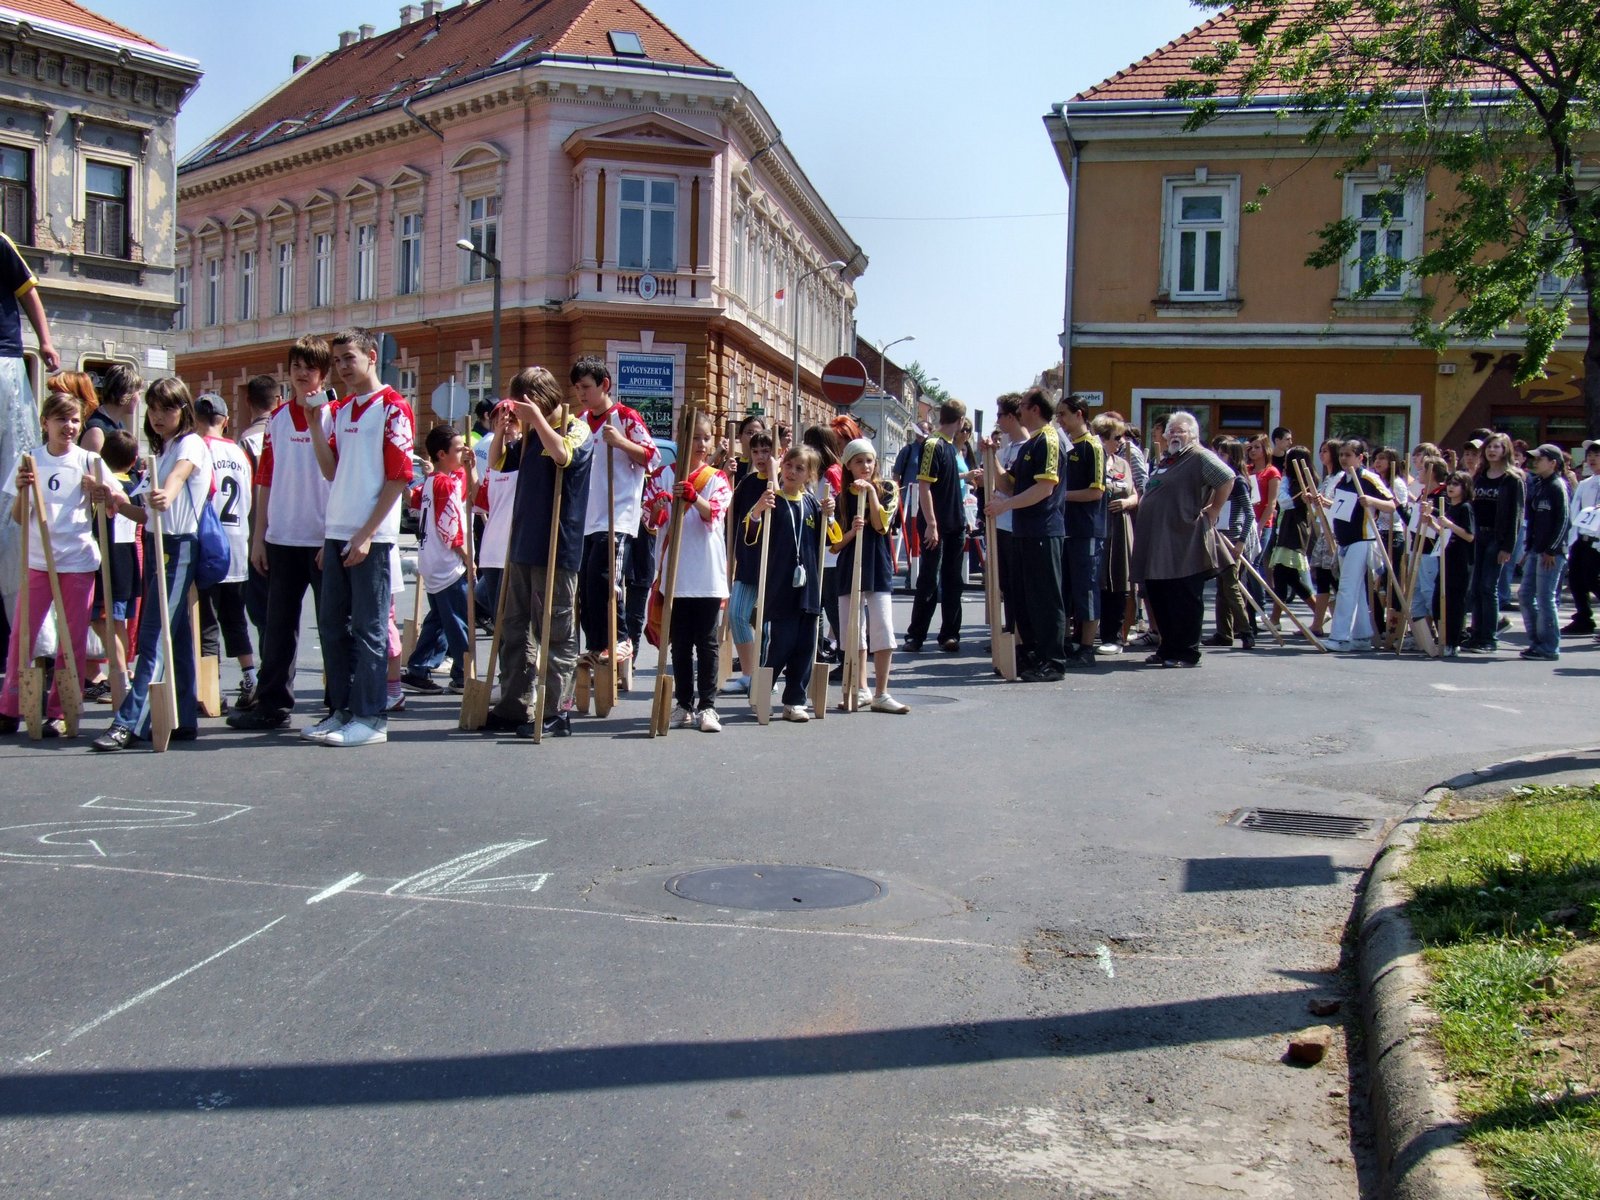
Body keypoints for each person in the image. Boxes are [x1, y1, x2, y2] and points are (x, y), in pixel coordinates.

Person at [306, 328, 415, 748]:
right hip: (337, 531)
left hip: (373, 536)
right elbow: (331, 470)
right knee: (332, 627)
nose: (342, 368)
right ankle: (342, 710)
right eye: (337, 361)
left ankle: (371, 718)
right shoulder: (342, 409)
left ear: (371, 355)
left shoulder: (393, 407)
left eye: (349, 358)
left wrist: (367, 534)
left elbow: (399, 477)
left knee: (370, 628)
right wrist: (315, 425)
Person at [91, 378, 213, 751]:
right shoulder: (164, 447)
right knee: (174, 637)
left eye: (167, 408)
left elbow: (177, 479)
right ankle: (184, 717)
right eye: (154, 409)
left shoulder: (190, 443)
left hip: (178, 547)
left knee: (153, 637)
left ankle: (128, 722)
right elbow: (146, 515)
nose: (158, 416)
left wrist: (165, 494)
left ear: (183, 410)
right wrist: (115, 502)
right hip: (159, 542)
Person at [228, 336, 334, 731]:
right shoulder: (277, 419)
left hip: (322, 538)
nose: (302, 374)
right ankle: (272, 704)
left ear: (323, 373)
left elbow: (339, 477)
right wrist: (259, 537)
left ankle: (338, 706)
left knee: (332, 627)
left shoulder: (336, 415)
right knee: (277, 628)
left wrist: (333, 536)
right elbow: (265, 477)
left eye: (310, 367)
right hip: (282, 537)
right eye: (296, 367)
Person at [483, 366, 592, 739]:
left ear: (538, 399)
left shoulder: (575, 428)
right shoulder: (530, 434)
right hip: (523, 544)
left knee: (556, 632)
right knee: (514, 629)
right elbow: (497, 462)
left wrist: (538, 421)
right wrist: (502, 433)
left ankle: (556, 711)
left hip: (557, 547)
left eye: (521, 403)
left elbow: (563, 455)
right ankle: (513, 704)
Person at [0, 392, 104, 735]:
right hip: (38, 560)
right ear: (45, 422)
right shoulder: (31, 460)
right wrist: (22, 489)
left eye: (75, 420)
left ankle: (60, 711)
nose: (69, 426)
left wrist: (99, 491)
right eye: (61, 419)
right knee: (22, 636)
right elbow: (19, 516)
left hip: (76, 561)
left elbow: (111, 504)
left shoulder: (88, 460)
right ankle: (10, 707)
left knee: (71, 640)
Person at [573, 356, 658, 684]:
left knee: (605, 578)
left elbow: (651, 456)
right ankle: (596, 644)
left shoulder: (624, 417)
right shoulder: (581, 421)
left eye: (586, 387)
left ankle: (621, 638)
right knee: (586, 587)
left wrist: (621, 442)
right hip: (588, 516)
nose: (581, 394)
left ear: (604, 385)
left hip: (617, 515)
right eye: (577, 388)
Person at [1129, 411, 1234, 667]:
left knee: (1183, 597)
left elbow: (1226, 478)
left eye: (1181, 431)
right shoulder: (1168, 459)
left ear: (1193, 435)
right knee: (1160, 594)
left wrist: (1214, 510)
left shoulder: (1198, 456)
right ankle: (1167, 648)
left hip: (1183, 540)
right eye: (1171, 431)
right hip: (1158, 541)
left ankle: (1186, 652)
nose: (1175, 435)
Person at [0, 231, 60, 633]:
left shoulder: (0, 243)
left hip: (4, 359)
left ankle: (31, 630)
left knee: (16, 471)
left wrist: (46, 341)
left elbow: (28, 293)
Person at [747, 444, 832, 721]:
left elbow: (830, 539)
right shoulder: (773, 500)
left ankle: (795, 700)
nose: (792, 472)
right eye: (789, 466)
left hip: (808, 587)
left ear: (810, 475)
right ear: (781, 467)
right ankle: (761, 693)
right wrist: (758, 510)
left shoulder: (811, 504)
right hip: (779, 585)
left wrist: (829, 516)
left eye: (800, 468)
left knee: (806, 645)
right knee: (780, 643)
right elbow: (750, 532)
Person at [988, 388, 1066, 679]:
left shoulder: (1049, 440)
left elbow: (1044, 488)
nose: (1018, 411)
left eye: (1022, 406)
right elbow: (1010, 485)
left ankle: (1053, 661)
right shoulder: (1030, 444)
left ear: (1035, 409)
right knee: (1024, 598)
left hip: (1043, 530)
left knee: (1045, 598)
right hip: (1023, 531)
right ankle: (1032, 654)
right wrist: (991, 456)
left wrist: (1005, 506)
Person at [661, 410, 732, 732]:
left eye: (706, 438)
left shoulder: (717, 479)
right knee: (679, 642)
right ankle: (683, 704)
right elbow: (651, 518)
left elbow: (714, 513)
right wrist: (659, 508)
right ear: (682, 438)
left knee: (706, 642)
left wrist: (693, 497)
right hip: (675, 572)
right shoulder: (664, 474)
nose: (702, 444)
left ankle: (708, 706)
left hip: (706, 573)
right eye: (696, 438)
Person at [400, 426, 475, 695]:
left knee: (440, 619)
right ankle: (464, 674)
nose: (464, 452)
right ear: (442, 454)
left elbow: (415, 500)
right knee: (459, 621)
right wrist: (467, 556)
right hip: (447, 564)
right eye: (459, 449)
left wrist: (468, 467)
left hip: (431, 560)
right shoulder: (445, 483)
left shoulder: (433, 481)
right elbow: (449, 528)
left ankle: (418, 668)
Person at [194, 393, 258, 711]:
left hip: (208, 543)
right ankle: (250, 677)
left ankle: (210, 689)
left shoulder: (197, 449)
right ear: (226, 421)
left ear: (195, 419)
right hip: (237, 541)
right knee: (235, 619)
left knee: (206, 621)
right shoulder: (238, 452)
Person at [836, 437, 909, 712]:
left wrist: (871, 494)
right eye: (859, 461)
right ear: (849, 466)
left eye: (869, 460)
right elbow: (834, 543)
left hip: (877, 563)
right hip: (849, 566)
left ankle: (882, 692)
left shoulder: (888, 488)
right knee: (853, 631)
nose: (865, 466)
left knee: (883, 627)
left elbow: (881, 526)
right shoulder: (842, 497)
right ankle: (861, 688)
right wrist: (851, 531)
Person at [1319, 439, 1396, 652]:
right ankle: (1362, 635)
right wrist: (1323, 503)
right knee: (1358, 589)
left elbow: (1391, 504)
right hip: (1344, 541)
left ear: (1360, 457)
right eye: (1341, 454)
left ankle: (1340, 637)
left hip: (1362, 540)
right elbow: (1343, 508)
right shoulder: (1342, 480)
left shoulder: (1368, 478)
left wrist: (1371, 501)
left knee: (1346, 588)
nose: (1344, 459)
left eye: (1348, 455)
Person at [903, 400, 967, 652]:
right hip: (937, 526)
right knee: (929, 580)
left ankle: (950, 634)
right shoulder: (933, 444)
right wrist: (931, 523)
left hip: (955, 524)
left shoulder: (951, 447)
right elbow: (925, 486)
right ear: (960, 421)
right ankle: (916, 635)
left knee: (953, 581)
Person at [722, 429, 775, 697]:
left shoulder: (784, 482)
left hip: (774, 564)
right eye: (756, 451)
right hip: (747, 560)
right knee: (737, 614)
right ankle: (748, 674)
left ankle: (766, 677)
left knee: (766, 623)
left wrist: (775, 478)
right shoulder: (747, 482)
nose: (761, 456)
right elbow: (730, 517)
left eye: (766, 451)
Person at [1055, 393, 1106, 665]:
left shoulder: (1093, 446)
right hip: (1063, 528)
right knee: (1063, 588)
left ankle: (1087, 646)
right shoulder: (1063, 445)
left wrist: (1061, 496)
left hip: (1086, 529)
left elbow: (1096, 491)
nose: (1060, 419)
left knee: (1086, 588)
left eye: (1063, 414)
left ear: (1079, 414)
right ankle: (1064, 641)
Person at [91, 430, 141, 704]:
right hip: (128, 563)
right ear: (133, 460)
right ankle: (122, 672)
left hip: (109, 564)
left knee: (104, 621)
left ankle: (119, 676)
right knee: (116, 622)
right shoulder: (136, 485)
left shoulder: (106, 489)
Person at [1466, 431, 1523, 652]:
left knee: (1489, 587)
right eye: (1489, 447)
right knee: (1476, 588)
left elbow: (1516, 516)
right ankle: (1476, 633)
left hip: (1496, 538)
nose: (1492, 450)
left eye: (1497, 447)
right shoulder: (1479, 475)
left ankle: (1489, 638)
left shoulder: (1512, 479)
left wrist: (1507, 547)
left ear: (1505, 450)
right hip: (1477, 536)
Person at [1517, 444, 1570, 661]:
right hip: (1536, 550)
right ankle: (1537, 641)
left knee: (1545, 597)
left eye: (1540, 459)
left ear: (1553, 463)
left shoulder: (1558, 486)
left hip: (1551, 553)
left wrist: (1552, 550)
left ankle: (1549, 646)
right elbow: (1533, 521)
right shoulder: (1539, 485)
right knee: (1525, 594)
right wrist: (1528, 548)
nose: (1535, 462)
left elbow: (1564, 520)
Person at [1207, 437, 1257, 649]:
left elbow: (1249, 513)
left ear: (1233, 456)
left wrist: (1241, 542)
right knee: (1221, 588)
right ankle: (1223, 632)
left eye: (1223, 454)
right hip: (1218, 536)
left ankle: (1245, 630)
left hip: (1232, 539)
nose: (1219, 457)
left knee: (1231, 586)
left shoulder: (1238, 482)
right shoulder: (1220, 481)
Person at [1093, 413, 1137, 652]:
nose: (1121, 442)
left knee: (1119, 580)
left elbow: (1135, 493)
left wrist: (1128, 502)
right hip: (1098, 527)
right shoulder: (1093, 460)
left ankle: (1114, 637)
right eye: (1117, 437)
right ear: (1103, 437)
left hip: (1120, 528)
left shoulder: (1122, 464)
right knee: (1095, 580)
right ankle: (1088, 633)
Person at [1422, 471, 1475, 656]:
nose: (1451, 487)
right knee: (1438, 602)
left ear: (1465, 488)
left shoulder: (1465, 508)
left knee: (1455, 603)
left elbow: (1469, 536)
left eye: (1456, 484)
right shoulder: (1450, 508)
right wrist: (1433, 524)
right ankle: (1444, 638)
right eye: (1450, 483)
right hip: (1446, 559)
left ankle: (1453, 641)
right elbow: (1446, 534)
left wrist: (1449, 524)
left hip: (1461, 562)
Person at [1268, 446, 1317, 628]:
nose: (1284, 464)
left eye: (1287, 461)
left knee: (1283, 574)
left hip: (1294, 532)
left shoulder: (1304, 483)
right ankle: (1318, 611)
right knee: (1288, 577)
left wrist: (1299, 496)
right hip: (1285, 530)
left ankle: (1275, 618)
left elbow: (1285, 502)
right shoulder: (1290, 481)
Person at [1562, 440, 1600, 635]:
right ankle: (1583, 618)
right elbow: (1575, 512)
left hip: (1597, 542)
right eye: (1590, 455)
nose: (1592, 459)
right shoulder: (1585, 483)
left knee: (1593, 579)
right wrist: (1571, 540)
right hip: (1582, 539)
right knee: (1576, 580)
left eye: (1597, 455)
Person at [78, 364, 141, 456]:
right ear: (126, 395)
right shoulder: (96, 432)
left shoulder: (117, 423)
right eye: (138, 394)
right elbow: (92, 465)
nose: (139, 400)